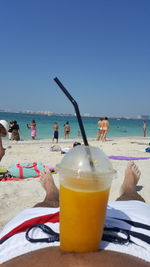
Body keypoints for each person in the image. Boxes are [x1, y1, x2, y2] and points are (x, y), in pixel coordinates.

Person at [0, 162, 150, 266]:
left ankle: (52, 193)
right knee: (131, 201)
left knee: (45, 206)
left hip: (28, 237)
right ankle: (129, 187)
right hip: (133, 238)